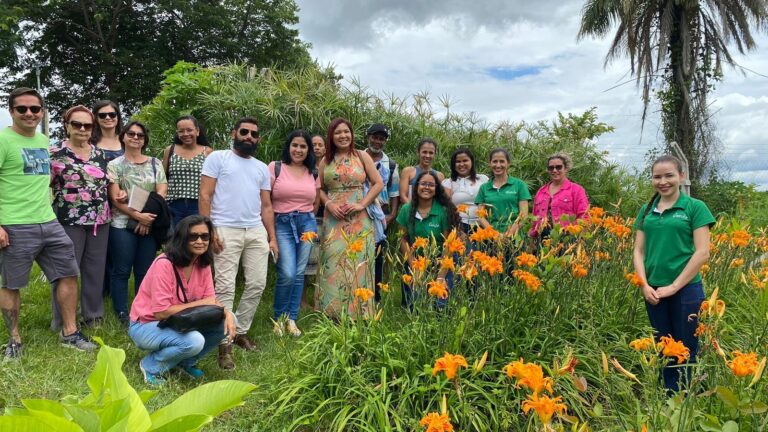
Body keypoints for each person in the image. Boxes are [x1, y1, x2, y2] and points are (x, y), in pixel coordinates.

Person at [0, 87, 96, 359]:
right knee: (12, 284)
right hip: (15, 224)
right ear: (12, 111)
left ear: (42, 112)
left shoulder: (43, 140)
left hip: (48, 221)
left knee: (68, 273)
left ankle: (70, 333)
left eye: (35, 109)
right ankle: (14, 340)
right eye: (22, 109)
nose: (29, 113)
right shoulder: (3, 140)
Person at [199, 116, 278, 370]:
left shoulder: (261, 168)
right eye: (244, 132)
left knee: (257, 283)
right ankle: (224, 343)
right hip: (224, 229)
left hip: (255, 230)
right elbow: (205, 195)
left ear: (258, 139)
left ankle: (240, 330)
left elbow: (266, 206)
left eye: (254, 134)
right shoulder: (218, 158)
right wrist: (208, 231)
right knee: (225, 287)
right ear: (234, 133)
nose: (249, 137)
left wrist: (272, 237)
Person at [632, 155, 714, 392]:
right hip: (653, 289)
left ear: (681, 176)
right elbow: (638, 251)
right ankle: (669, 396)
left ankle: (687, 396)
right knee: (663, 345)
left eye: (669, 175)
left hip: (686, 289)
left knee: (686, 346)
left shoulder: (695, 207)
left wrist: (674, 286)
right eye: (657, 177)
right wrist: (644, 285)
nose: (663, 181)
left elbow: (703, 252)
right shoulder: (647, 210)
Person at [128, 215, 236, 386]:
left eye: (205, 236)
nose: (200, 241)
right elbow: (161, 312)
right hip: (147, 325)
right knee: (194, 341)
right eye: (193, 236)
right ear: (182, 238)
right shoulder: (164, 264)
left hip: (178, 321)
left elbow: (211, 301)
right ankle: (151, 366)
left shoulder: (203, 263)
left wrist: (227, 313)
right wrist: (203, 303)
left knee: (227, 321)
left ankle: (184, 363)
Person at [49, 105, 111, 329]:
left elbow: (108, 184)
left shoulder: (100, 154)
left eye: (87, 125)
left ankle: (93, 316)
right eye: (77, 124)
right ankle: (61, 320)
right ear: (67, 126)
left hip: (100, 220)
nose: (82, 129)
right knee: (65, 271)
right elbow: (43, 186)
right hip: (68, 220)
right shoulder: (54, 154)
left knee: (95, 270)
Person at [317, 118, 383, 319]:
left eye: (346, 131)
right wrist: (329, 204)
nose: (343, 136)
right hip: (333, 219)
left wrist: (362, 204)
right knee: (332, 263)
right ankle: (332, 313)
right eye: (337, 132)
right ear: (331, 136)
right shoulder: (325, 161)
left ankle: (359, 314)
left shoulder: (362, 156)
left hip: (359, 220)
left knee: (359, 263)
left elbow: (378, 183)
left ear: (352, 134)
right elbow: (319, 189)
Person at [107, 121, 167, 326]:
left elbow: (161, 192)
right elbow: (115, 198)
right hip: (122, 223)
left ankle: (142, 310)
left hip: (150, 222)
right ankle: (122, 312)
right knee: (122, 270)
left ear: (145, 140)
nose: (135, 137)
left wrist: (146, 218)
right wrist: (137, 216)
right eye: (131, 133)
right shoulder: (114, 165)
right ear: (123, 136)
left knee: (145, 270)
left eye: (140, 135)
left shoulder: (155, 163)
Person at [269, 130, 319, 336]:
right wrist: (269, 231)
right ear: (289, 147)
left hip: (307, 223)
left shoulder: (313, 172)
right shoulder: (276, 167)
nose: (298, 150)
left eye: (303, 146)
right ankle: (279, 317)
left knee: (299, 273)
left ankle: (292, 318)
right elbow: (265, 200)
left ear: (308, 150)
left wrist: (307, 219)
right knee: (288, 273)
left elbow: (316, 201)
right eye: (295, 145)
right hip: (282, 222)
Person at [397, 171, 459, 309]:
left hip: (441, 261)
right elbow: (403, 239)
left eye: (431, 185)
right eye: (423, 183)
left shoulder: (444, 211)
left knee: (440, 307)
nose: (426, 187)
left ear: (436, 189)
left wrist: (440, 276)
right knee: (415, 306)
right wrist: (414, 268)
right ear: (416, 186)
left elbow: (449, 245)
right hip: (416, 260)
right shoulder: (406, 209)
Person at [364, 123, 400, 302]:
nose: (377, 141)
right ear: (368, 137)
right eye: (375, 137)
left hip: (381, 213)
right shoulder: (357, 157)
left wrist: (392, 215)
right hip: (360, 210)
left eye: (381, 139)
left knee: (377, 255)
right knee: (359, 252)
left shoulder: (391, 165)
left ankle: (375, 297)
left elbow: (394, 193)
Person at [91, 100, 123, 300]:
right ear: (96, 118)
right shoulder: (90, 143)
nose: (108, 118)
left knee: (117, 248)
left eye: (112, 114)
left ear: (118, 117)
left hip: (122, 201)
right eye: (102, 115)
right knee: (98, 250)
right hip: (96, 202)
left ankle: (115, 288)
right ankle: (100, 291)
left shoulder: (127, 140)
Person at [162, 115, 212, 226]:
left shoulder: (208, 152)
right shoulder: (170, 150)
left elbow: (212, 183)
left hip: (198, 205)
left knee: (196, 235)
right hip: (173, 206)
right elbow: (162, 179)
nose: (185, 134)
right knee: (174, 236)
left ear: (197, 131)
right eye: (181, 131)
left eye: (189, 130)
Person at [529, 152, 589, 240]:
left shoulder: (576, 190)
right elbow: (534, 219)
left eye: (558, 167)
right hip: (541, 239)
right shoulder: (541, 191)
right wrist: (531, 240)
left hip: (567, 238)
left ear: (566, 168)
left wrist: (580, 240)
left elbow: (585, 217)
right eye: (551, 168)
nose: (554, 170)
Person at [475, 148, 531, 237]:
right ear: (490, 163)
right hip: (491, 238)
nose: (498, 165)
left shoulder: (519, 185)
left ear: (508, 163)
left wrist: (508, 234)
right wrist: (495, 235)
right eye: (494, 161)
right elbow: (480, 216)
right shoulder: (484, 188)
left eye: (502, 161)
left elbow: (523, 215)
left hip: (516, 237)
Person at [442, 148, 488, 234]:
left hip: (484, 225)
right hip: (461, 225)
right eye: (458, 161)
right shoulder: (448, 183)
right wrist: (458, 230)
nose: (461, 164)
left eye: (465, 160)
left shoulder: (483, 179)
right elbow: (447, 209)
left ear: (472, 162)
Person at [399, 137, 445, 204]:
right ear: (418, 153)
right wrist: (414, 209)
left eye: (431, 153)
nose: (427, 156)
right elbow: (403, 196)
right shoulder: (408, 172)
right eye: (424, 152)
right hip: (410, 209)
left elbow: (441, 199)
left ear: (435, 154)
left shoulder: (440, 176)